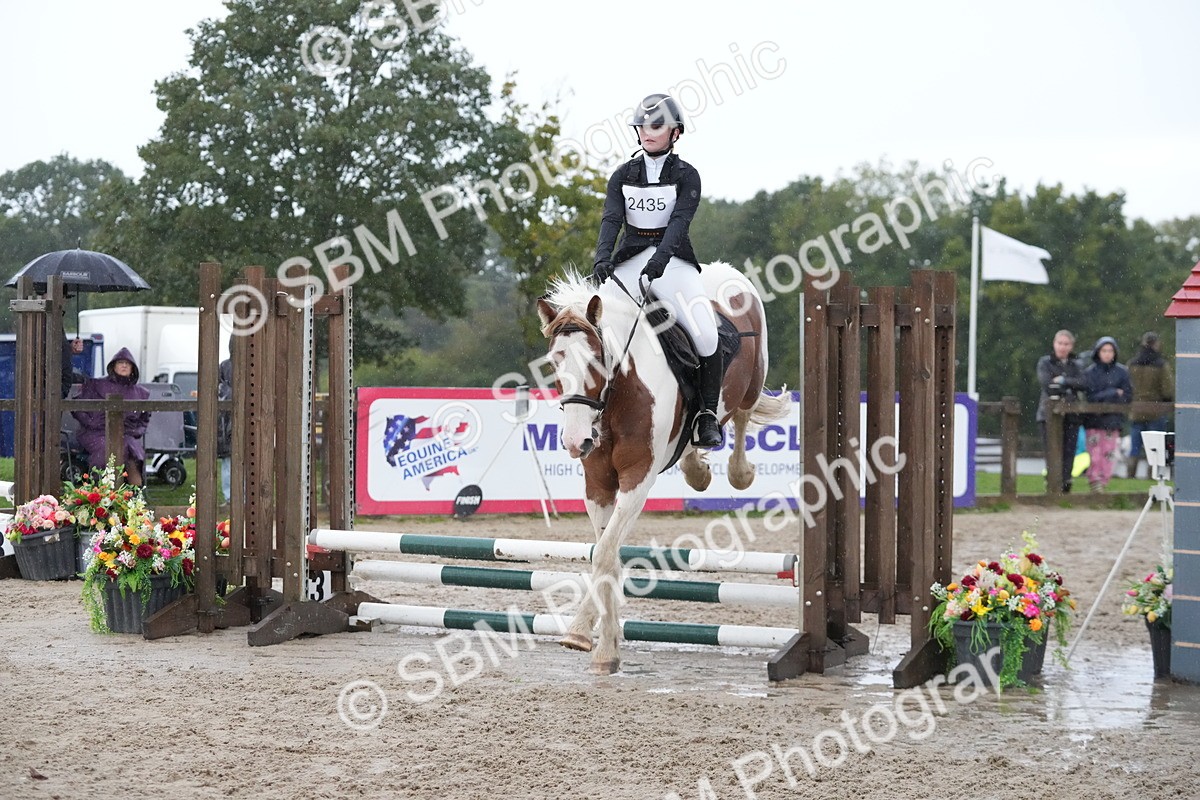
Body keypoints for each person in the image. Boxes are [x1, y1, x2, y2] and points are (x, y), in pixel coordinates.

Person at [591, 93, 722, 446]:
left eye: (656, 126)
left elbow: (679, 223)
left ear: (675, 132)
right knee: (591, 327)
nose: (647, 132)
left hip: (673, 262)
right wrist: (602, 257)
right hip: (630, 260)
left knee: (707, 335)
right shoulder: (622, 175)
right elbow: (611, 219)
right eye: (643, 126)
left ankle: (707, 415)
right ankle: (585, 410)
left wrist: (660, 260)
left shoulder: (687, 175)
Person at [72, 347, 151, 486]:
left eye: (128, 363)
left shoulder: (141, 393)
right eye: (120, 362)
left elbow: (144, 419)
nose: (124, 365)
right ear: (113, 366)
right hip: (95, 433)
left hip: (126, 434)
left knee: (133, 452)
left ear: (133, 368)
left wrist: (136, 431)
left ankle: (135, 493)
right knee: (106, 449)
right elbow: (76, 407)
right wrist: (91, 422)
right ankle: (99, 489)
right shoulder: (96, 385)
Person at [1036, 330, 1087, 492]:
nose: (1062, 347)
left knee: (1069, 450)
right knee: (1052, 450)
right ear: (1054, 344)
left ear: (1071, 346)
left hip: (1071, 414)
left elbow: (1084, 383)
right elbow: (1047, 385)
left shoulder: (1076, 364)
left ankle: (1066, 483)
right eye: (1060, 343)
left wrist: (1064, 381)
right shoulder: (1045, 363)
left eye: (1066, 344)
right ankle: (1052, 483)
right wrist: (1069, 387)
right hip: (1049, 415)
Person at [1083, 336, 1133, 493]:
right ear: (1098, 352)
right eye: (1104, 350)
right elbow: (1091, 397)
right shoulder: (1090, 372)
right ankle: (1094, 481)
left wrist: (1109, 398)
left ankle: (1103, 483)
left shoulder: (1122, 372)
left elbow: (1127, 396)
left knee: (1109, 454)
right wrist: (1113, 393)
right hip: (1093, 420)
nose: (1107, 354)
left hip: (1113, 420)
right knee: (1094, 454)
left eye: (1110, 351)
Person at [1126, 331, 1173, 478]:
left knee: (1135, 446)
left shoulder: (1132, 364)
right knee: (1155, 447)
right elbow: (1167, 390)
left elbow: (1127, 387)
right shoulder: (1161, 365)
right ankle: (1151, 475)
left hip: (1136, 410)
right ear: (1156, 344)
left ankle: (1130, 475)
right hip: (1156, 410)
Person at [217, 357, 233, 502]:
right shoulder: (224, 365)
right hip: (226, 424)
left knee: (229, 463)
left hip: (226, 425)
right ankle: (230, 497)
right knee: (228, 462)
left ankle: (231, 497)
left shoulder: (224, 365)